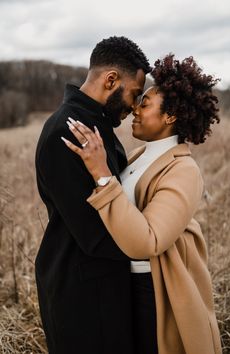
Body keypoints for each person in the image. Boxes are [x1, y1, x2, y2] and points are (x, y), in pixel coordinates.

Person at [62, 54, 222, 354]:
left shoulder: (183, 170)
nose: (135, 107)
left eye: (145, 103)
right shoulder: (139, 156)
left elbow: (147, 242)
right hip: (125, 286)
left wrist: (103, 175)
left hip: (156, 293)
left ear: (170, 116)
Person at [35, 36, 151, 354]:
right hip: (82, 298)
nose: (135, 105)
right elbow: (95, 234)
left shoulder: (96, 124)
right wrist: (155, 243)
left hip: (103, 289)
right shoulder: (68, 130)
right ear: (111, 79)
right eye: (135, 93)